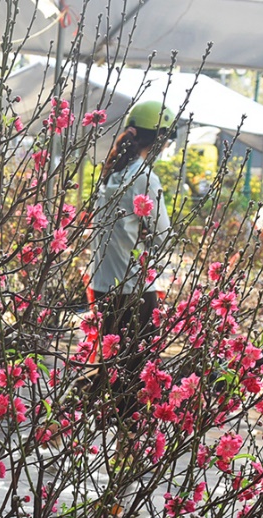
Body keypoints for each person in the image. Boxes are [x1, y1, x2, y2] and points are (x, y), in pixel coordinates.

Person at [87, 100, 174, 429]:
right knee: (136, 375)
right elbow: (163, 235)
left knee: (112, 365)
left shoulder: (111, 174)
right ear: (160, 139)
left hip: (103, 283)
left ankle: (69, 424)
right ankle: (126, 438)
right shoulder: (145, 178)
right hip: (134, 287)